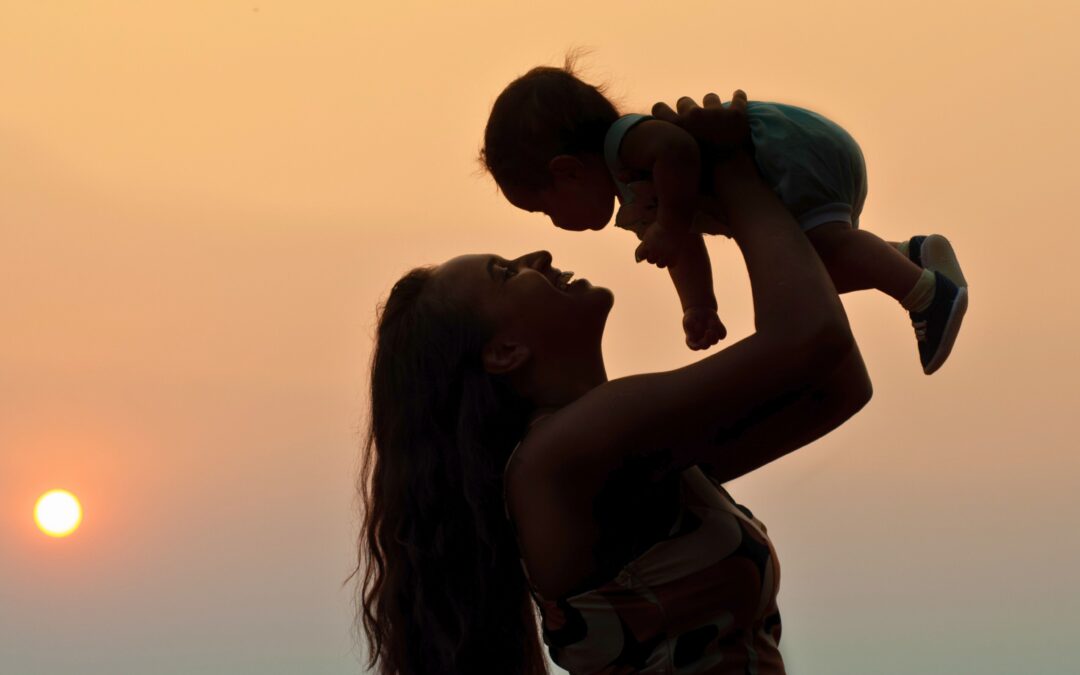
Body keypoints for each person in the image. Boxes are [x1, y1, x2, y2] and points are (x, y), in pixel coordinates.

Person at [357, 94, 873, 674]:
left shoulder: (620, 448)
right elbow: (812, 338)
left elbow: (840, 385)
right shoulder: (571, 449)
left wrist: (712, 199)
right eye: (506, 271)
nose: (541, 251)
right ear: (504, 351)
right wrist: (731, 172)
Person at [481, 63, 968, 374]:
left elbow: (679, 150)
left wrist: (670, 225)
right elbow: (686, 248)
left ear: (565, 172)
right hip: (789, 164)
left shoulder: (627, 143)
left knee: (826, 254)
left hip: (789, 156)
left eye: (544, 209)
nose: (553, 225)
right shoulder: (635, 193)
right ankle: (910, 257)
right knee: (812, 271)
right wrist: (698, 305)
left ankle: (927, 293)